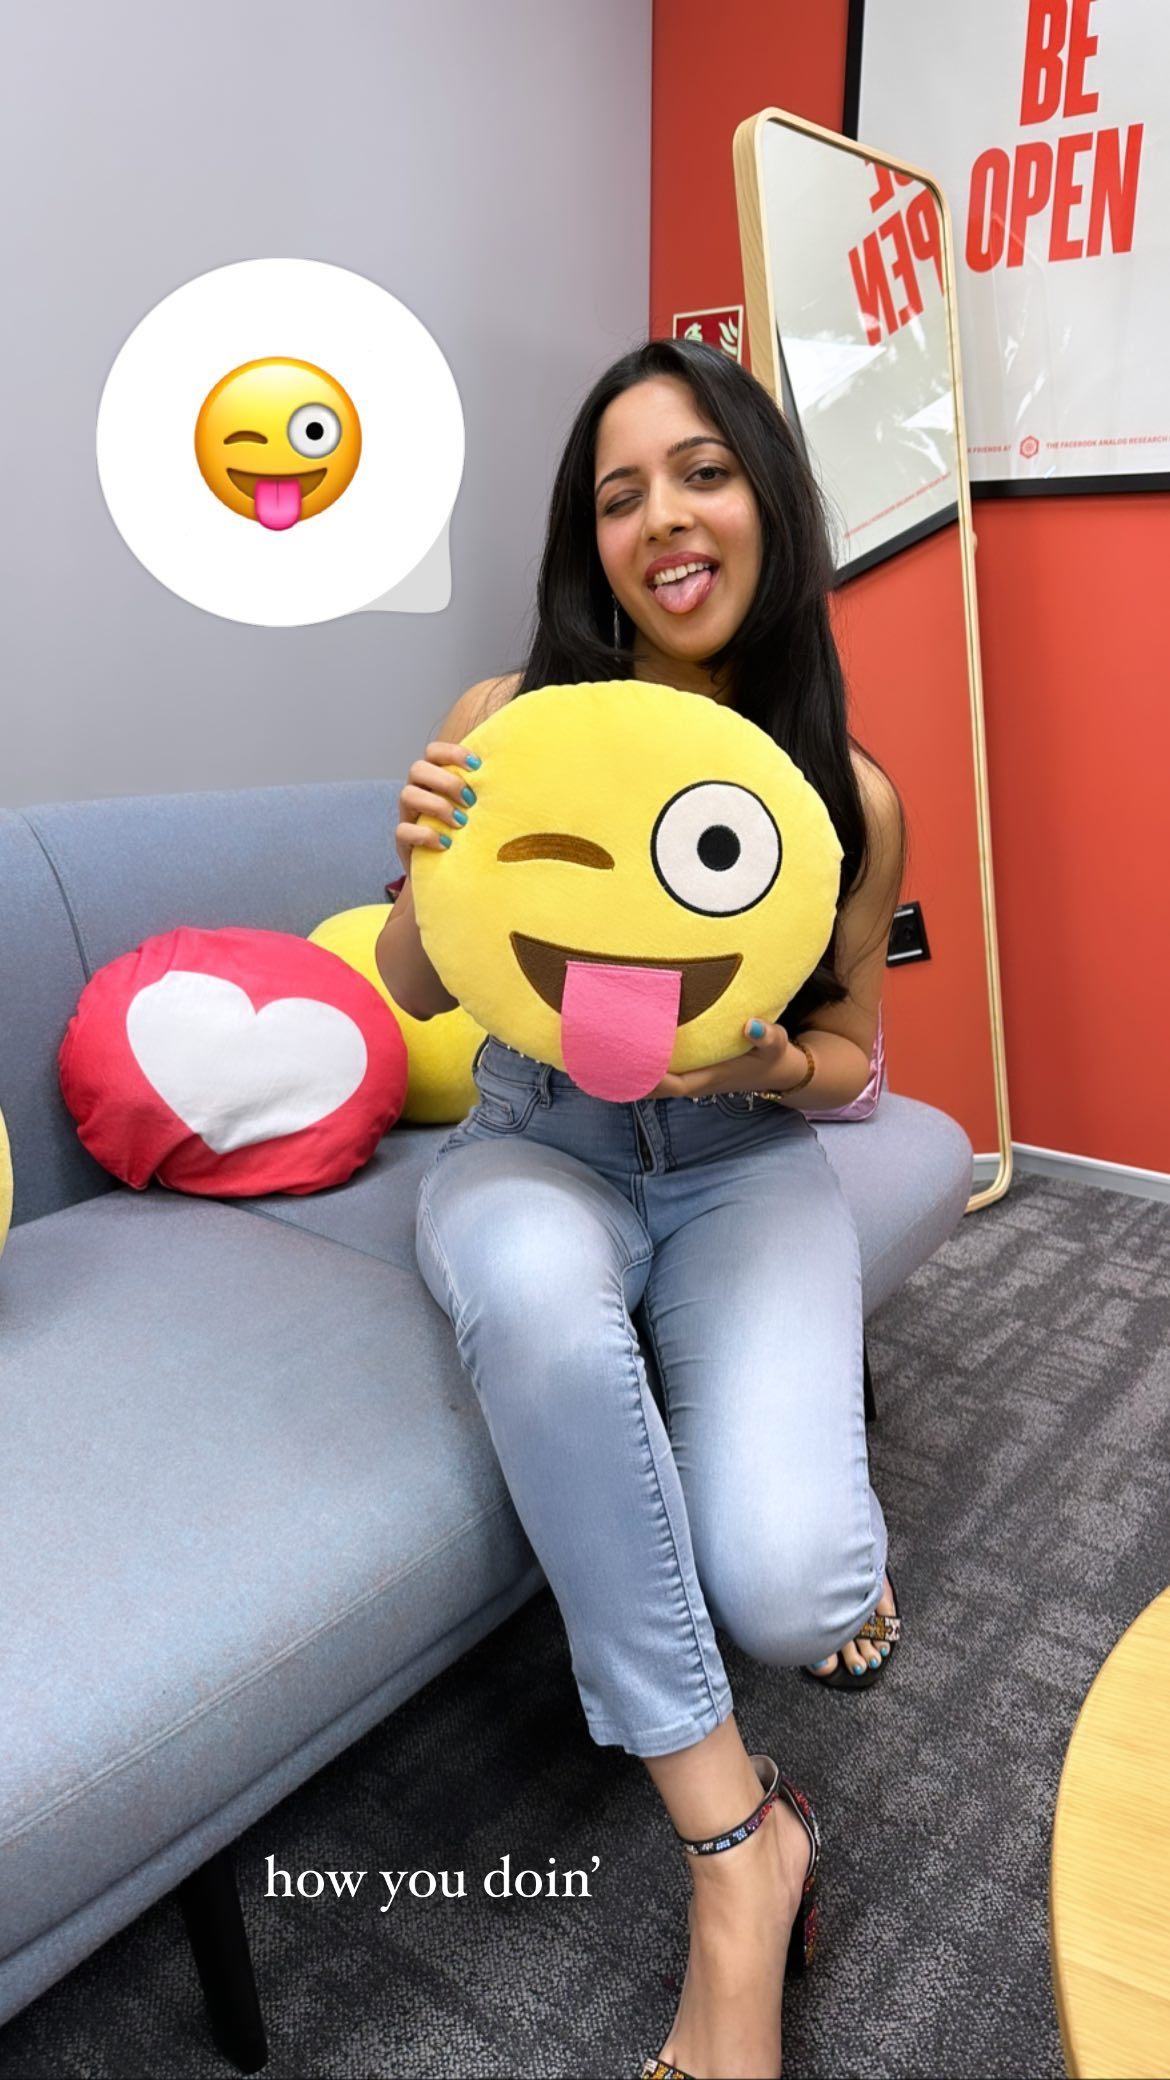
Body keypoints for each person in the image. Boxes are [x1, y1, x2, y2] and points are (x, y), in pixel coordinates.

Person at [376, 337, 906, 2080]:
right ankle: (739, 1852)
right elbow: (416, 983)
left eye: (702, 472)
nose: (662, 518)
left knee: (794, 1597)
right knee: (533, 1292)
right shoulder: (504, 723)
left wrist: (771, 1064)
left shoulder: (847, 798)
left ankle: (827, 1539)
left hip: (741, 1162)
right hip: (539, 1143)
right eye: (619, 495)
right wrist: (422, 854)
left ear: (768, 502)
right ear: (587, 543)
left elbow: (854, 1059)